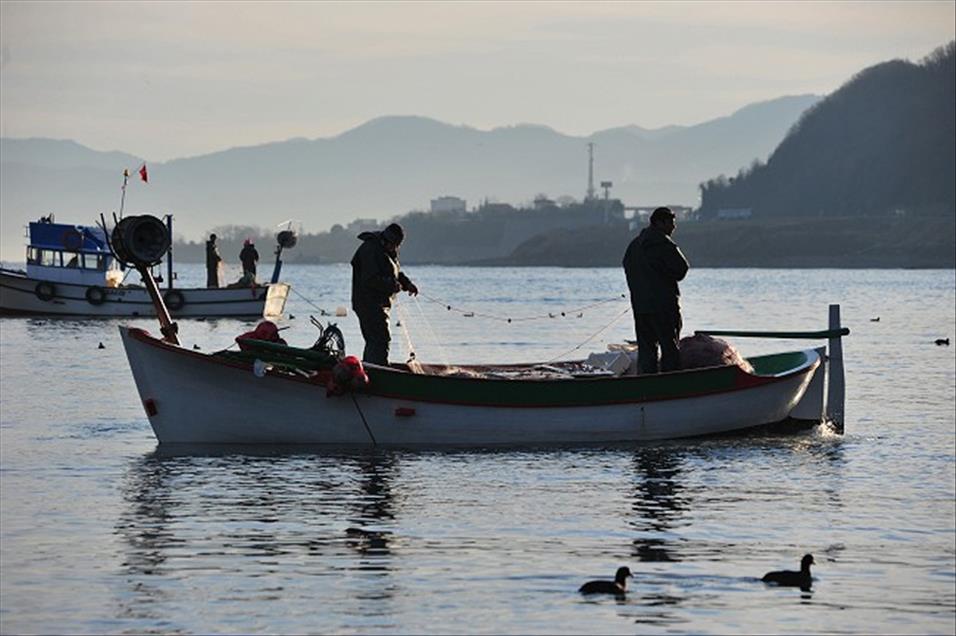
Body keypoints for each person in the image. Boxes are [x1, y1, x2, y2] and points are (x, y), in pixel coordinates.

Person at [622, 206, 689, 374]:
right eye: (671, 223)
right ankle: (671, 385)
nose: (674, 227)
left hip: (641, 308)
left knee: (646, 351)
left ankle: (647, 385)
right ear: (659, 223)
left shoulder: (634, 246)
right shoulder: (663, 243)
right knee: (669, 349)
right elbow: (682, 269)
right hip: (664, 307)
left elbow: (627, 267)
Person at [350, 223, 419, 365]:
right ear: (385, 240)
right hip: (367, 303)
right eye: (393, 245)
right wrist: (392, 285)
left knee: (378, 339)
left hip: (379, 303)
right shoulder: (370, 249)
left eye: (397, 245)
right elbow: (370, 279)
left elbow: (393, 271)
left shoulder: (387, 250)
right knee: (379, 338)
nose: (395, 248)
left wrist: (407, 284)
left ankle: (371, 367)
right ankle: (375, 370)